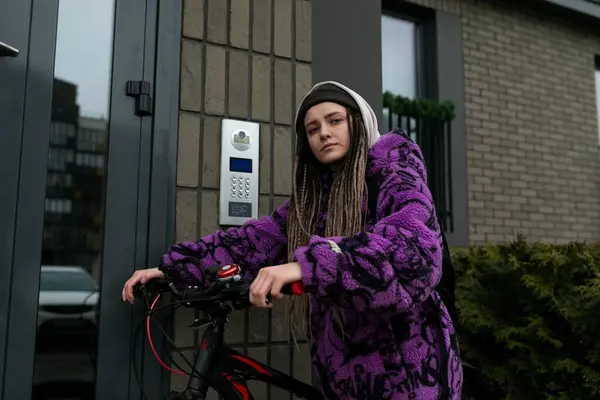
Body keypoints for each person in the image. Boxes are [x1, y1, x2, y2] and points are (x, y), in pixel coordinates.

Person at [122, 81, 463, 399]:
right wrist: (175, 269)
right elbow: (250, 242)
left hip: (408, 366)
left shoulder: (395, 170)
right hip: (341, 366)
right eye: (313, 129)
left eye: (335, 121)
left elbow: (414, 248)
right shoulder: (312, 201)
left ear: (358, 123)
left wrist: (309, 266)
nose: (324, 134)